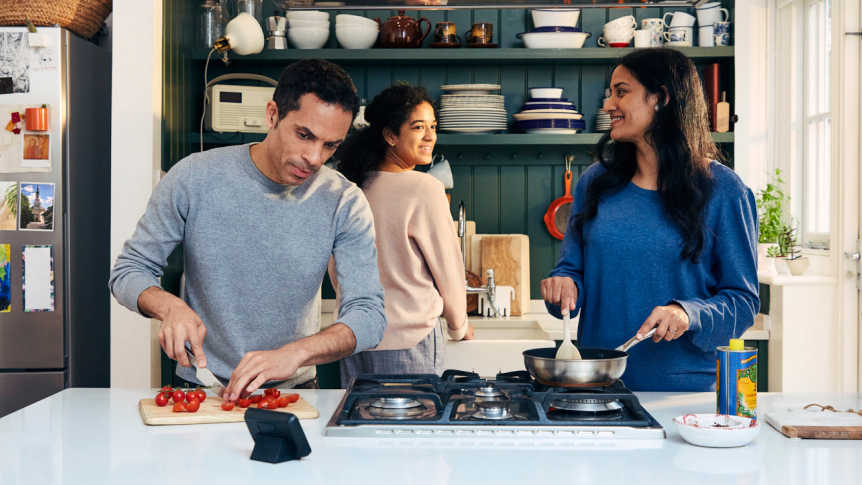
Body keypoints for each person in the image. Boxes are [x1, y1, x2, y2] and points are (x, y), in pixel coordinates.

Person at [109, 59, 387, 400]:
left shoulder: (345, 201)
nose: (314, 158)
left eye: (331, 145)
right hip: (202, 388)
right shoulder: (194, 177)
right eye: (304, 135)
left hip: (293, 393)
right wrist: (169, 306)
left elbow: (369, 315)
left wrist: (295, 354)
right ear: (272, 115)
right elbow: (128, 271)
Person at [541, 48, 759, 392]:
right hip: (596, 388)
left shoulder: (724, 190)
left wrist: (689, 314)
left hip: (683, 393)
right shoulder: (595, 183)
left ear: (661, 97)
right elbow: (571, 273)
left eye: (621, 92)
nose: (608, 104)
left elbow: (743, 302)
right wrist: (562, 286)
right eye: (610, 92)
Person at [331, 85, 473, 387]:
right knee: (413, 432)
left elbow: (337, 269)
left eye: (433, 126)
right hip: (411, 342)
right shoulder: (424, 188)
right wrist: (459, 326)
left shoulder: (348, 188)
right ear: (390, 135)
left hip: (354, 340)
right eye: (418, 127)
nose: (430, 136)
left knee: (360, 430)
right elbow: (448, 268)